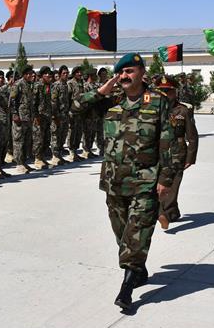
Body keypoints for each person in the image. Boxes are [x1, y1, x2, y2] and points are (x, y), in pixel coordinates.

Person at [78, 53, 181, 311]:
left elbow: (170, 142)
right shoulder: (111, 101)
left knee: (137, 232)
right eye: (120, 72)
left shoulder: (157, 101)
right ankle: (137, 267)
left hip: (145, 180)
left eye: (130, 71)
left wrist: (166, 178)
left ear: (141, 73)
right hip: (114, 181)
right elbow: (78, 107)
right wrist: (104, 88)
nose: (125, 76)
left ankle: (127, 287)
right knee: (122, 232)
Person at [154, 75, 197, 228]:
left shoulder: (183, 111)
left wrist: (190, 158)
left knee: (173, 185)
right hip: (156, 152)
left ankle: (165, 213)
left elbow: (192, 136)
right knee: (156, 185)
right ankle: (168, 212)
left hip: (177, 153)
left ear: (175, 92)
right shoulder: (153, 109)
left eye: (168, 91)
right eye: (161, 91)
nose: (165, 94)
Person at [10, 65, 36, 175]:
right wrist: (15, 114)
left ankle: (24, 162)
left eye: (32, 73)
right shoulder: (18, 84)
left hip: (27, 118)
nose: (32, 75)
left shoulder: (29, 85)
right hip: (19, 118)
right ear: (25, 75)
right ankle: (19, 163)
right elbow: (12, 100)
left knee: (26, 141)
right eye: (29, 74)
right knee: (18, 141)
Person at [32, 66, 54, 170]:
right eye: (46, 74)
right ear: (42, 75)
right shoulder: (38, 86)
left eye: (50, 74)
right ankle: (37, 159)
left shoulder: (48, 86)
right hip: (39, 117)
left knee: (46, 138)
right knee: (38, 139)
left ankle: (42, 157)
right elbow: (33, 102)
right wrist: (36, 115)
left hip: (47, 116)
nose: (49, 75)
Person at [50, 65, 71, 166]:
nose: (66, 75)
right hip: (57, 116)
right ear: (59, 75)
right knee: (56, 136)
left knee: (63, 135)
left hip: (65, 115)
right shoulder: (56, 85)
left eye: (67, 73)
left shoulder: (66, 85)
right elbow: (53, 102)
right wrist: (55, 116)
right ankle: (55, 156)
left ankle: (59, 155)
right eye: (64, 73)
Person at [67, 67, 85, 160]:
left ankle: (75, 150)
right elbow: (68, 98)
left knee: (78, 132)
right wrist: (69, 110)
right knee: (72, 131)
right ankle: (71, 151)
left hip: (80, 111)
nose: (80, 73)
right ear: (74, 74)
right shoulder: (70, 83)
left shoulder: (81, 83)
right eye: (77, 72)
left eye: (80, 72)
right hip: (73, 111)